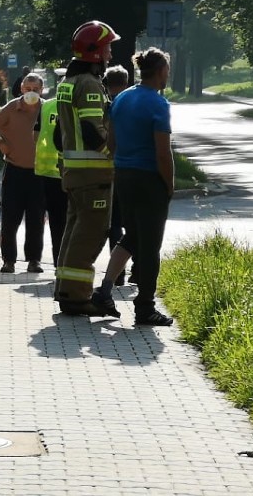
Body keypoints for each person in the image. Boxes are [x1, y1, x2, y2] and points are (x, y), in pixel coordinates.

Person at [96, 48, 175, 326]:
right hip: (149, 179)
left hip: (124, 177)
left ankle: (104, 290)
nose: (168, 74)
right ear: (161, 71)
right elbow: (163, 153)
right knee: (150, 246)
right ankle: (145, 308)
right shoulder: (158, 104)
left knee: (131, 237)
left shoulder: (122, 99)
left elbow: (112, 143)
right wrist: (169, 184)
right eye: (167, 69)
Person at [53, 21, 120, 317]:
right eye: (107, 46)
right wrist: (113, 155)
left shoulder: (67, 84)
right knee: (90, 234)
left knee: (73, 231)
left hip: (73, 173)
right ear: (95, 51)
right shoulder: (90, 85)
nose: (110, 52)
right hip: (94, 175)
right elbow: (93, 133)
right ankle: (77, 297)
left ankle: (65, 290)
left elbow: (59, 135)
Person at [0, 72, 45, 274]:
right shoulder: (12, 107)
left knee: (36, 219)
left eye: (35, 90)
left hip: (39, 172)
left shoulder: (46, 109)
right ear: (21, 89)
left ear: (42, 90)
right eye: (28, 89)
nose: (31, 93)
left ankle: (34, 260)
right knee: (10, 218)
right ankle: (8, 261)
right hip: (14, 170)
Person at [102, 65, 133, 286]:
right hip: (130, 168)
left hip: (107, 169)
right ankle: (136, 270)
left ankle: (117, 274)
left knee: (113, 224)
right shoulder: (131, 103)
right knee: (133, 225)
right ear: (126, 82)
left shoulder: (104, 105)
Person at [33, 96, 67, 267]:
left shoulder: (46, 106)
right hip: (74, 170)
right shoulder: (79, 103)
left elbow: (35, 135)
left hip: (48, 172)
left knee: (56, 222)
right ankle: (71, 264)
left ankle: (58, 264)